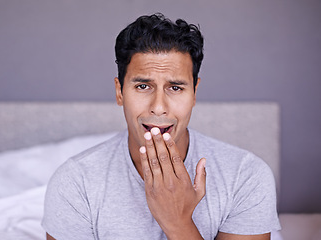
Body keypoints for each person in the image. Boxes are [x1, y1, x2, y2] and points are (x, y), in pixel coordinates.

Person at [42, 13, 281, 240]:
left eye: (175, 88)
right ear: (119, 92)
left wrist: (177, 222)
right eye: (143, 86)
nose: (158, 107)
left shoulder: (245, 176)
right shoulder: (75, 182)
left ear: (194, 93)